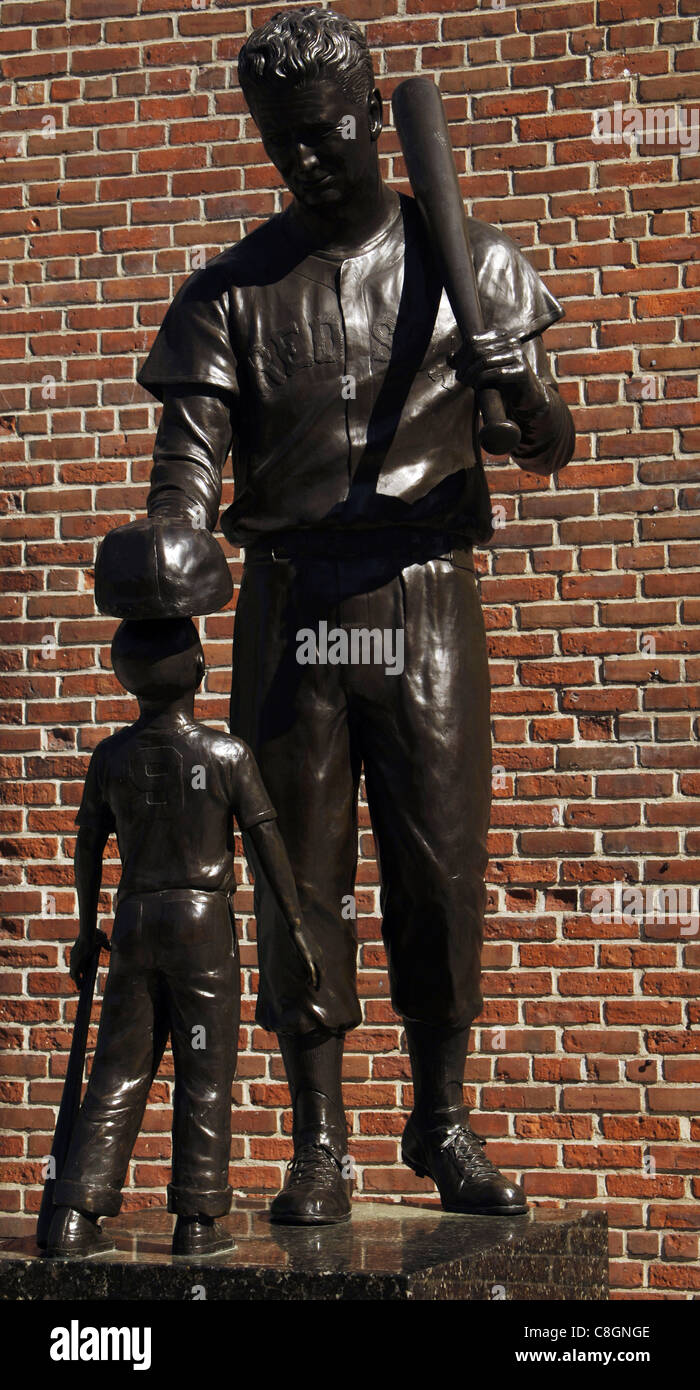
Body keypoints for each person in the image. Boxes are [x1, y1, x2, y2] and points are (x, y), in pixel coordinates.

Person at [117, 6, 576, 1225]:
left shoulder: (467, 263)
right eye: (281, 143)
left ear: (375, 117)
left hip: (424, 590)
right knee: (297, 876)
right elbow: (187, 470)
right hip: (297, 609)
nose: (304, 160)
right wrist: (168, 540)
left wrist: (519, 387)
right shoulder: (231, 294)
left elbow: (547, 446)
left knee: (438, 868)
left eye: (322, 134)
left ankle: (442, 1118)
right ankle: (320, 1141)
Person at [46, 618, 319, 1257]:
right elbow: (265, 840)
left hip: (136, 919)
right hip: (201, 925)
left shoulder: (110, 757)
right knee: (205, 1073)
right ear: (199, 670)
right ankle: (197, 1220)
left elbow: (88, 845)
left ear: (124, 678)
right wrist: (296, 924)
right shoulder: (226, 754)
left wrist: (88, 929)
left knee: (117, 1071)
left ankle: (75, 1217)